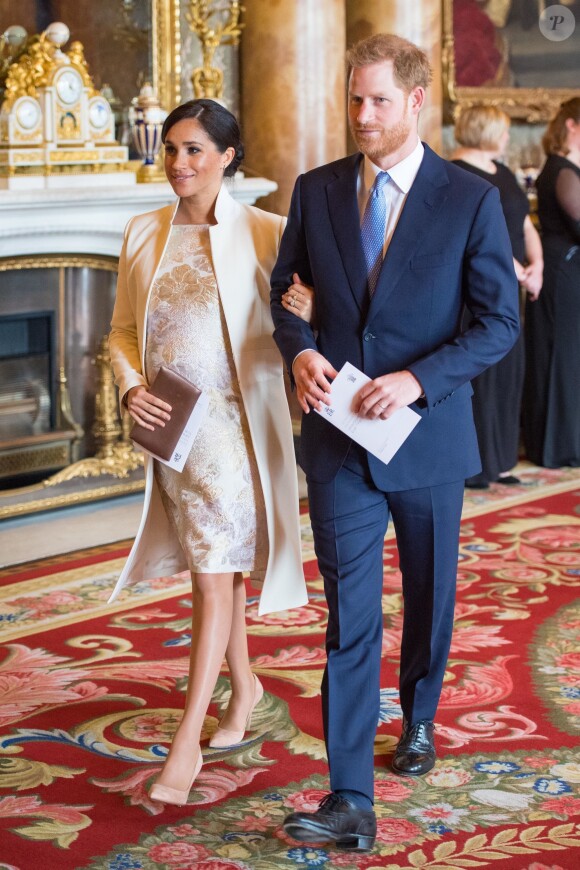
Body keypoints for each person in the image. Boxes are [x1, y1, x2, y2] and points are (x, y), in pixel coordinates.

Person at [270, 33, 519, 853]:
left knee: (428, 595)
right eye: (354, 99)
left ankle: (418, 716)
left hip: (427, 436)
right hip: (338, 441)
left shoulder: (468, 200)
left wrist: (418, 380)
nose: (362, 115)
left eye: (378, 100)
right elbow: (283, 296)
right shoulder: (315, 191)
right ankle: (350, 797)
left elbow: (498, 324)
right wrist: (300, 348)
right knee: (350, 618)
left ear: (416, 101)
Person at [108, 99, 307, 807]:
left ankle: (188, 737)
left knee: (212, 574)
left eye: (194, 150)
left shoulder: (269, 231)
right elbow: (121, 333)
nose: (178, 164)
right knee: (212, 569)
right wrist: (131, 388)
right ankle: (245, 685)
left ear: (228, 157)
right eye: (170, 150)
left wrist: (307, 315)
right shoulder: (140, 231)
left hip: (234, 427)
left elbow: (309, 311)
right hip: (172, 435)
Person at [451, 105, 543, 489]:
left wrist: (535, 264)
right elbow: (473, 232)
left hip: (513, 283)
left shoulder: (502, 171)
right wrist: (513, 267)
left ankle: (502, 459)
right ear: (485, 130)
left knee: (508, 371)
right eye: (503, 130)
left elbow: (523, 221)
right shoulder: (454, 172)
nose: (508, 138)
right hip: (478, 288)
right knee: (482, 376)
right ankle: (476, 465)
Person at [522, 97, 580, 468]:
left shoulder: (570, 168)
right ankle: (556, 446)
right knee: (560, 357)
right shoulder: (561, 170)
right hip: (560, 275)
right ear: (572, 125)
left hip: (570, 271)